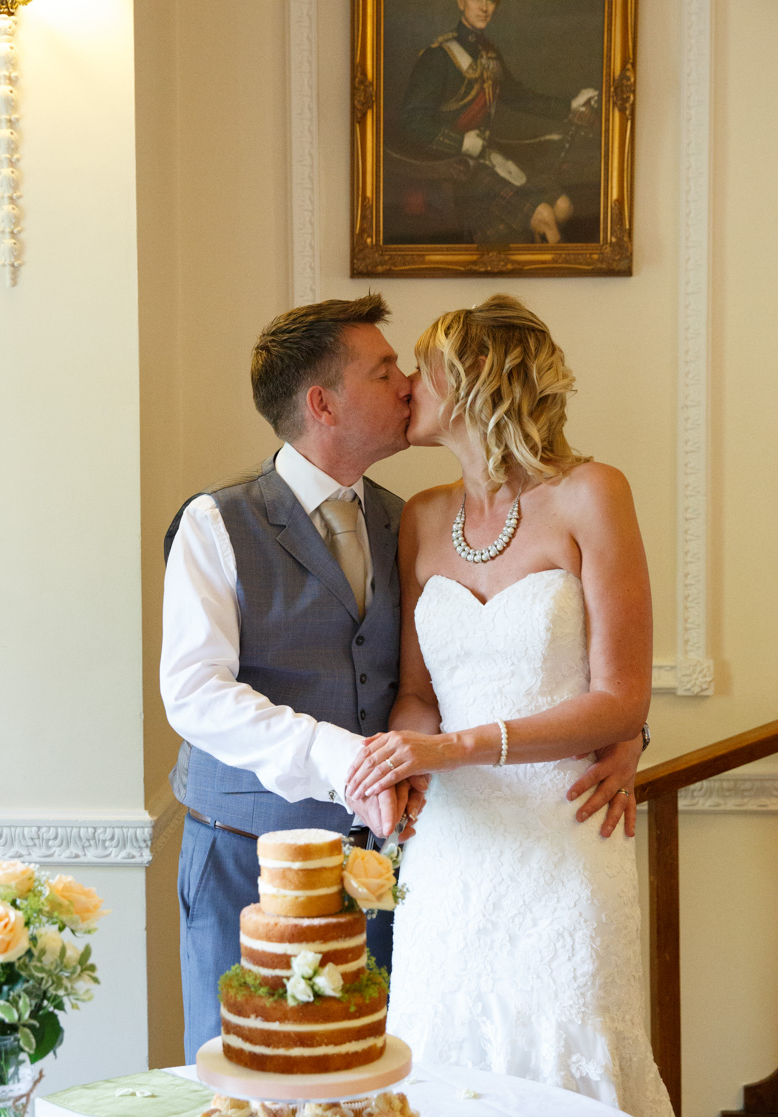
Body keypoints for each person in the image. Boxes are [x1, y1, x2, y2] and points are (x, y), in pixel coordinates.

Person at [160, 294, 643, 1065]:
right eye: (385, 371)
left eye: (410, 368)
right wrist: (352, 760)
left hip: (401, 854)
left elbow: (526, 666)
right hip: (248, 854)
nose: (407, 385)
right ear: (324, 404)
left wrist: (626, 728)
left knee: (384, 1078)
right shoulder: (217, 524)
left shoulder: (404, 518)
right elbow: (195, 693)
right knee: (247, 1077)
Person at [346, 294, 681, 1117]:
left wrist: (455, 746)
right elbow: (418, 692)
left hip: (567, 828)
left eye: (422, 368)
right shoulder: (421, 517)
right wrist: (407, 755)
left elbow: (622, 698)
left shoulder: (593, 494)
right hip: (452, 844)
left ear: (475, 381)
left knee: (570, 1056)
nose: (406, 383)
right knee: (444, 1057)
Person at [398, 0, 598, 245]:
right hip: (453, 170)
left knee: (563, 207)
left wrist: (569, 106)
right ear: (461, 2)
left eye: (491, 0)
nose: (484, 7)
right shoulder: (438, 57)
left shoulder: (489, 53)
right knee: (544, 215)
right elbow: (412, 121)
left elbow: (518, 97)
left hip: (486, 157)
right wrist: (461, 143)